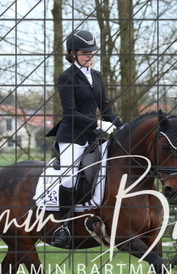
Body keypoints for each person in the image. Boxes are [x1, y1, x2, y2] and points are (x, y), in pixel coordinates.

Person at [47, 29, 123, 248]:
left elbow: (106, 108)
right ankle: (63, 226)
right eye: (84, 52)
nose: (89, 56)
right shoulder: (66, 77)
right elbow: (70, 113)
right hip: (72, 136)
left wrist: (122, 126)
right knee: (69, 178)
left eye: (91, 52)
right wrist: (97, 124)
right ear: (72, 53)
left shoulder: (97, 76)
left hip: (93, 136)